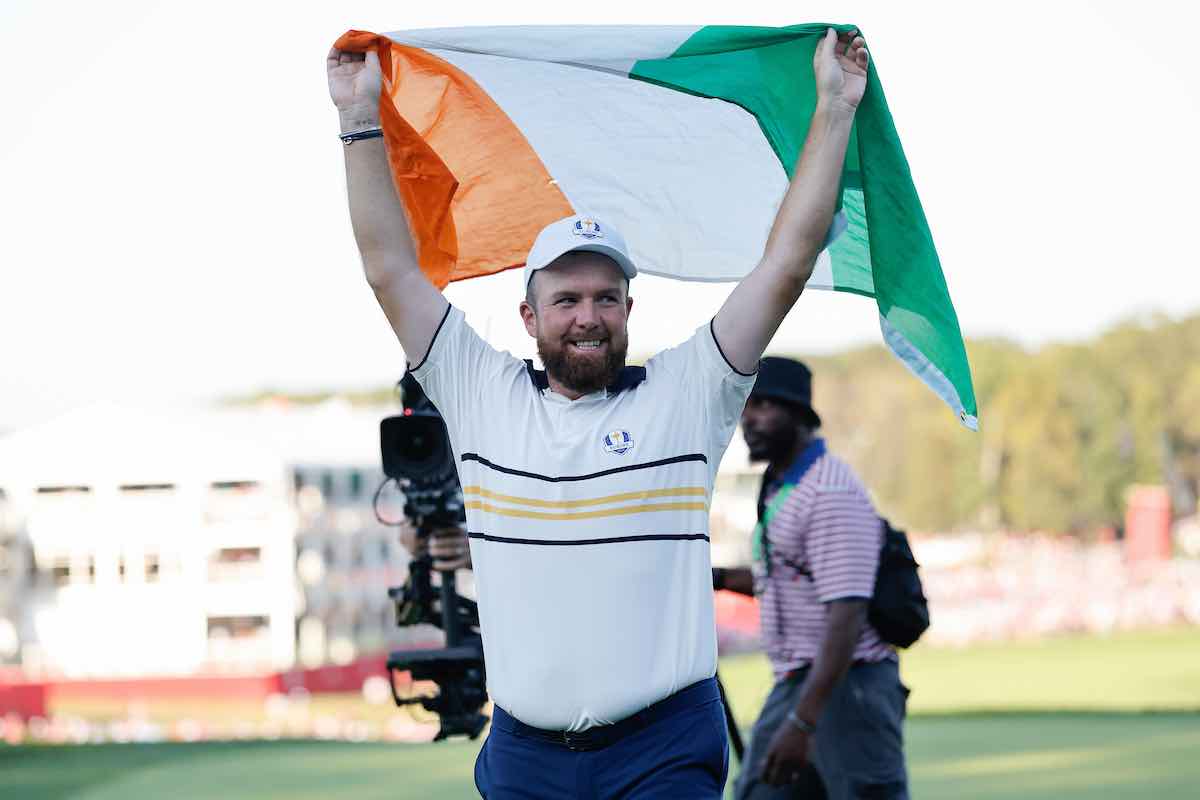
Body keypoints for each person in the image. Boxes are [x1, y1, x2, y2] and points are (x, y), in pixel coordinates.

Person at [328, 28, 870, 799]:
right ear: (528, 315)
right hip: (524, 755)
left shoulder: (690, 394)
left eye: (605, 298)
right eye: (568, 299)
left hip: (662, 746)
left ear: (628, 308)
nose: (588, 316)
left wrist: (836, 107)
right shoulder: (479, 392)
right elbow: (389, 268)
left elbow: (785, 264)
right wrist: (358, 119)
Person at [714, 357, 910, 799]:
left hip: (848, 686)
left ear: (799, 416)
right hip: (801, 681)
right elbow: (783, 576)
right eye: (747, 406)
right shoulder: (783, 483)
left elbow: (847, 614)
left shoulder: (829, 491)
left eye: (764, 406)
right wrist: (719, 577)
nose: (750, 418)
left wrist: (803, 722)